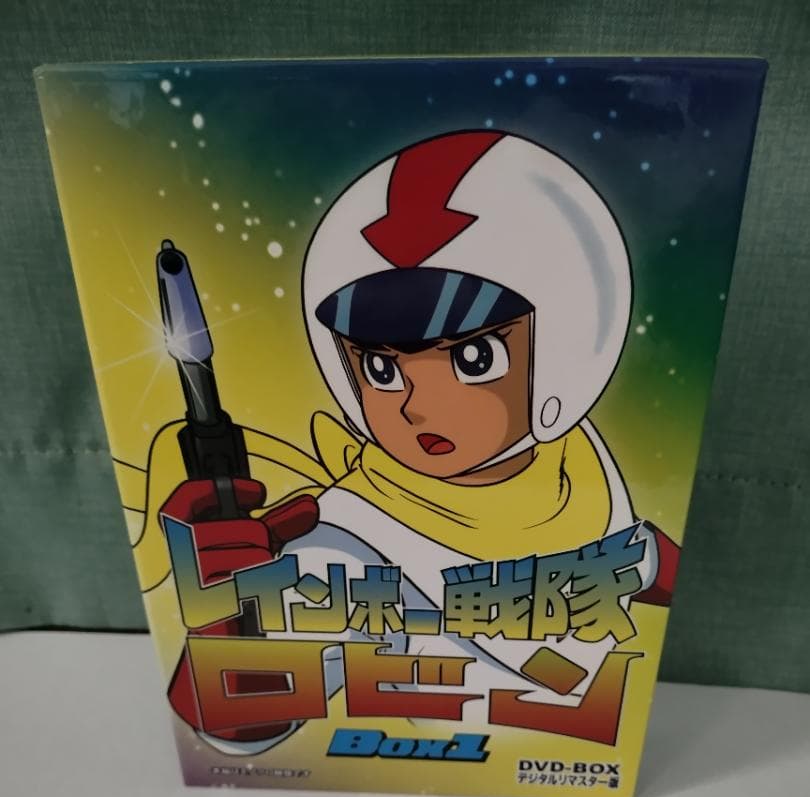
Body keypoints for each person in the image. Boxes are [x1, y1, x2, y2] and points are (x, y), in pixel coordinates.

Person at [130, 130, 679, 753]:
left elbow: (642, 560)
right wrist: (220, 618)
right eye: (381, 368)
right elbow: (240, 732)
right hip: (444, 762)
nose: (417, 407)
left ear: (565, 347)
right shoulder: (341, 547)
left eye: (474, 358)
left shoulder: (578, 466)